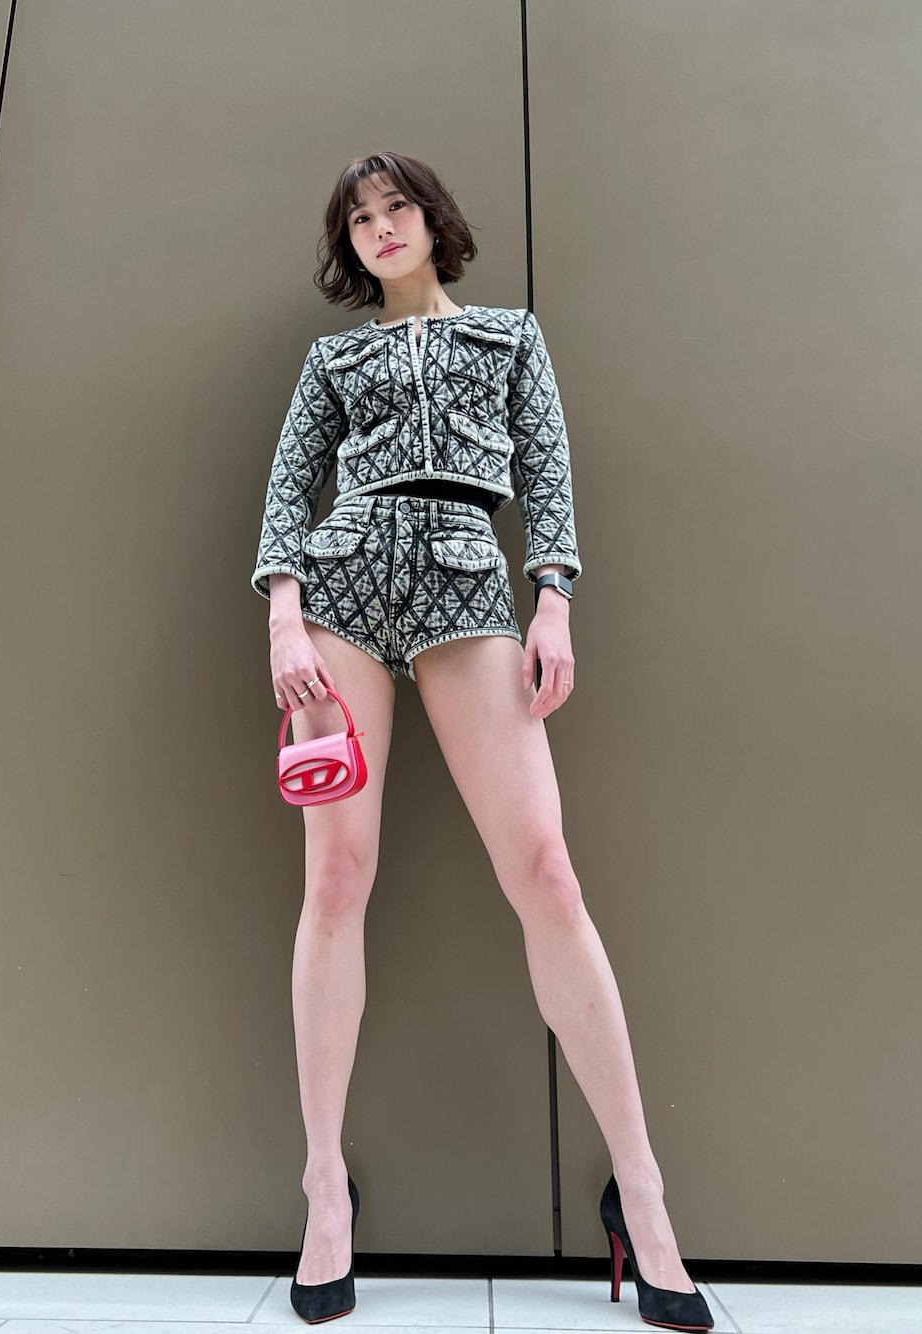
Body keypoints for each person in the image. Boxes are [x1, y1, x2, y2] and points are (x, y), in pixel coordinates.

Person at [251, 152, 713, 1333]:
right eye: (359, 218)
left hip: (467, 582)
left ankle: (641, 1192)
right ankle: (322, 1185)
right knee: (334, 878)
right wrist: (283, 617)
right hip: (342, 590)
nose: (380, 227)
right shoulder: (331, 360)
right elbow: (289, 492)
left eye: (395, 206)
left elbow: (547, 476)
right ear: (347, 244)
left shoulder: (509, 337)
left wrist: (553, 597)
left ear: (431, 218)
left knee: (547, 873)